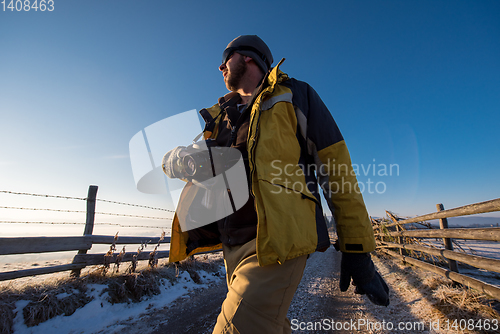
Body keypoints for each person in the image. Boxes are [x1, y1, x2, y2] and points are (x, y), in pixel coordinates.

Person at [163, 35, 389, 334]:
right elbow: (171, 163)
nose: (220, 67)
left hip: (277, 241)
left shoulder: (295, 94)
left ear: (247, 57)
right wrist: (180, 159)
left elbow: (337, 171)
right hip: (232, 244)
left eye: (225, 58)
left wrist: (357, 248)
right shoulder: (219, 117)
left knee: (236, 328)